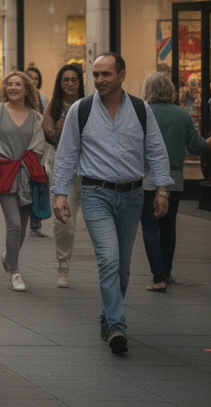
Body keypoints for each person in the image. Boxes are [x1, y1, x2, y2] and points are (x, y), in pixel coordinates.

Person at [53, 53, 172, 354]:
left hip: (133, 196)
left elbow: (156, 151)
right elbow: (66, 153)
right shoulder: (81, 110)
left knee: (124, 268)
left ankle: (107, 315)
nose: (99, 80)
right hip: (96, 193)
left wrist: (162, 189)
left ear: (121, 75)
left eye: (105, 74)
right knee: (109, 259)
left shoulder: (140, 110)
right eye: (95, 74)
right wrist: (59, 192)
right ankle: (118, 325)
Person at [139, 72, 206, 292]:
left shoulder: (142, 112)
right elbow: (197, 147)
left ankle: (157, 274)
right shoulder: (182, 114)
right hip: (174, 178)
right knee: (168, 225)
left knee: (150, 226)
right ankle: (167, 272)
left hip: (147, 176)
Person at [0, 72, 47, 292]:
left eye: (18, 84)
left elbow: (39, 146)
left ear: (26, 89)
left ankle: (8, 256)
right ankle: (16, 272)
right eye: (9, 84)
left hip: (26, 176)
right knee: (14, 225)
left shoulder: (35, 116)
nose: (13, 87)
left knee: (21, 227)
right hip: (3, 172)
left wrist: (25, 162)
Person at [44, 63, 85, 287]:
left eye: (74, 79)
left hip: (88, 169)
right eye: (65, 80)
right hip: (62, 168)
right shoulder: (55, 105)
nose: (70, 83)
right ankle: (63, 266)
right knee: (65, 221)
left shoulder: (89, 105)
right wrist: (59, 131)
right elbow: (47, 132)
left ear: (80, 83)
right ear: (60, 83)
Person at [24, 66, 48, 238]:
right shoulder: (19, 96)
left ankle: (35, 222)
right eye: (30, 77)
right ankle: (24, 220)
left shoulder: (43, 98)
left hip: (38, 150)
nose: (33, 81)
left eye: (36, 78)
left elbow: (45, 123)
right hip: (22, 150)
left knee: (38, 186)